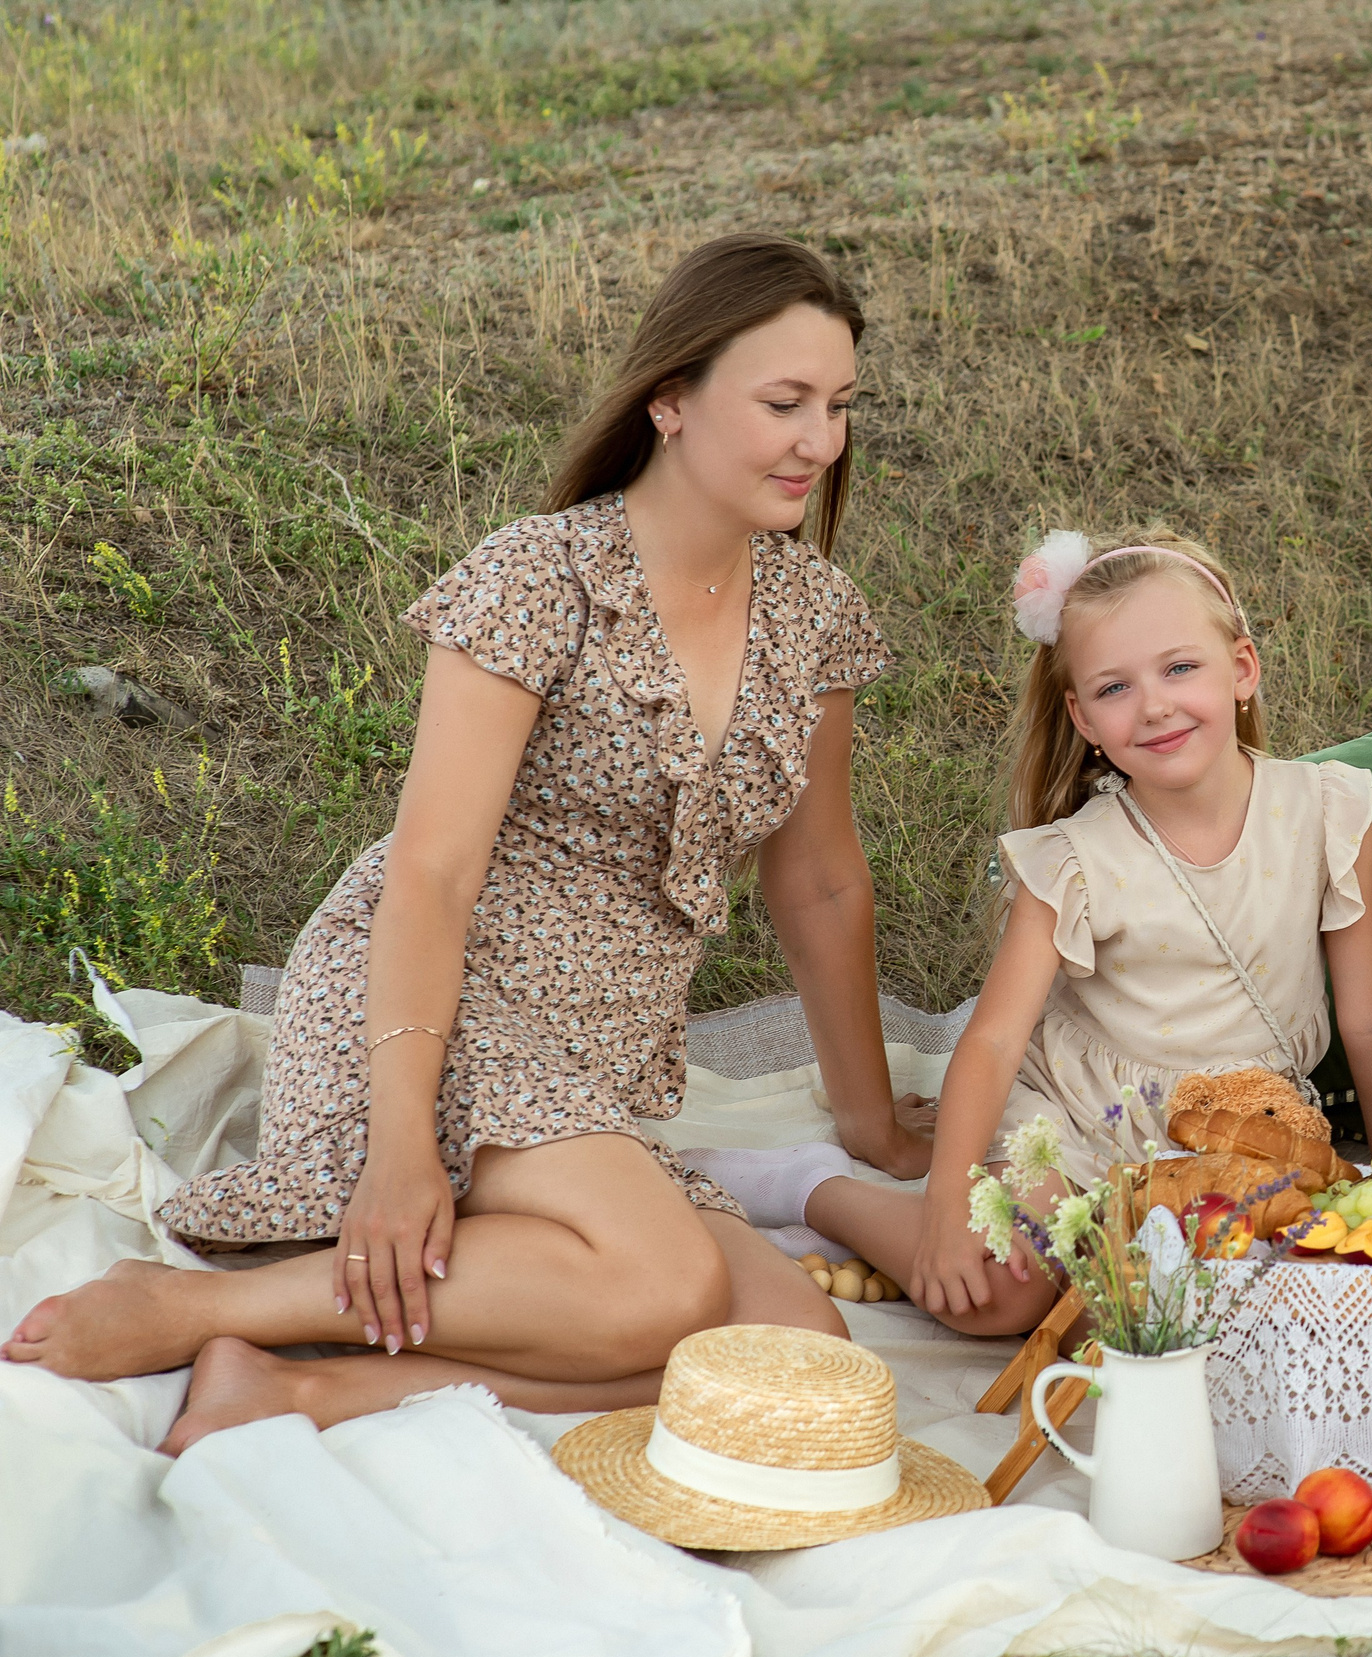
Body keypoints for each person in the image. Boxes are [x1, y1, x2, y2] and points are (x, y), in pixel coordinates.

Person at [6, 234, 933, 1450]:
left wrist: (868, 1124)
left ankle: (301, 1387)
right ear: (670, 402)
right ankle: (201, 1305)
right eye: (785, 403)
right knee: (662, 1290)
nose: (821, 441)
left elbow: (816, 882)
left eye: (840, 406)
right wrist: (401, 1151)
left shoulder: (814, 614)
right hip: (435, 1012)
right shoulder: (536, 579)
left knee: (792, 1361)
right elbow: (430, 878)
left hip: (592, 1066)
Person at [690, 528, 1372, 1335]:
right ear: (1082, 715)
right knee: (1001, 1293)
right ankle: (812, 1186)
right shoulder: (1075, 860)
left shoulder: (1325, 813)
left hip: (1240, 1125)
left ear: (1242, 668)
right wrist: (946, 1206)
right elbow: (995, 1041)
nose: (1156, 705)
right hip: (1080, 1118)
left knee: (1254, 1311)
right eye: (1115, 688)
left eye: (1182, 668)